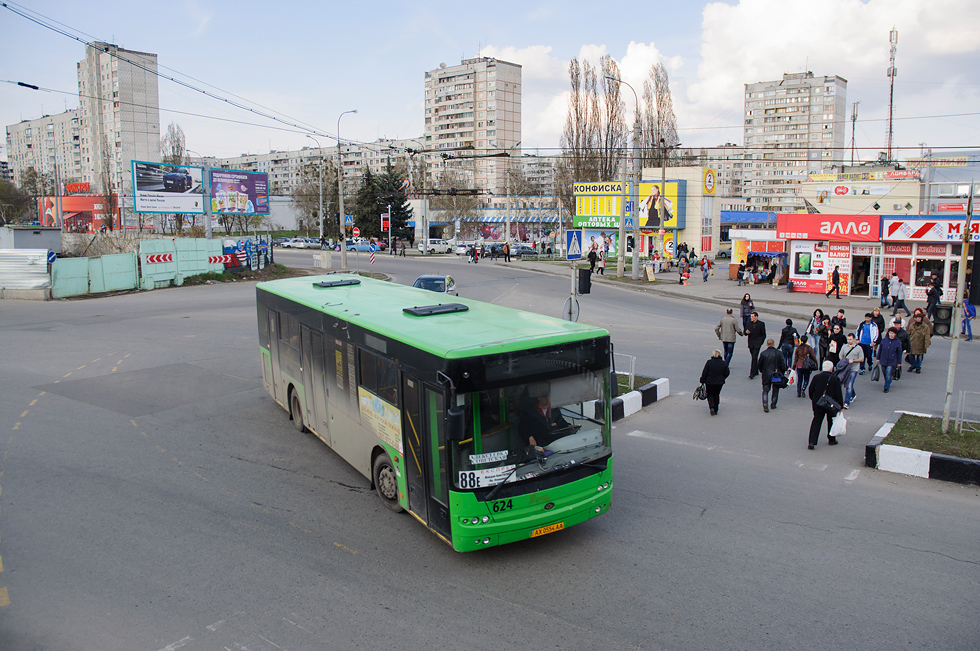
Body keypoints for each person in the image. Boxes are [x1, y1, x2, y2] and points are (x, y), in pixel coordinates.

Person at [519, 382, 572, 448]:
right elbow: (523, 428)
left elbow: (561, 423)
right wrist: (529, 437)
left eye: (549, 396)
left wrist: (569, 426)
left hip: (556, 444)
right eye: (545, 397)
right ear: (539, 397)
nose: (547, 399)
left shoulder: (555, 410)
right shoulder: (530, 413)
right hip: (539, 446)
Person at [808, 360, 843, 449]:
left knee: (816, 421)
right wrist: (840, 405)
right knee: (831, 420)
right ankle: (831, 439)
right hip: (830, 404)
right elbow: (838, 393)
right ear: (831, 368)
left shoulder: (816, 377)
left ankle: (812, 441)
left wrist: (814, 399)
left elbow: (811, 390)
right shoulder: (835, 379)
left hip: (818, 403)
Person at [758, 338, 787, 412]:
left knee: (765, 390)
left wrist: (762, 371)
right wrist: (782, 372)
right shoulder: (779, 353)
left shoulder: (764, 353)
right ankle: (773, 404)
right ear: (774, 344)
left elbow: (759, 364)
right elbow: (783, 364)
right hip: (776, 374)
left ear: (767, 344)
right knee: (776, 390)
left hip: (766, 373)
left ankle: (765, 403)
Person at [699, 349, 730, 416]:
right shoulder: (723, 363)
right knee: (716, 394)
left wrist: (702, 380)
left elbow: (705, 372)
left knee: (710, 394)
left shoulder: (709, 362)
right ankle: (716, 409)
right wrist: (722, 377)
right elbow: (727, 373)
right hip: (719, 382)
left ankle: (712, 407)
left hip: (709, 382)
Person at [840, 333, 864, 408]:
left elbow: (862, 359)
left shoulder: (858, 348)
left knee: (849, 385)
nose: (849, 341)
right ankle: (853, 394)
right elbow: (840, 355)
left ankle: (846, 403)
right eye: (848, 339)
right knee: (844, 382)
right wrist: (844, 360)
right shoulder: (844, 346)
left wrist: (853, 360)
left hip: (854, 369)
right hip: (845, 368)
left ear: (854, 339)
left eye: (850, 339)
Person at [878, 327, 904, 393]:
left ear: (895, 334)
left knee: (888, 373)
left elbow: (899, 353)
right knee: (884, 372)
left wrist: (899, 362)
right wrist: (878, 358)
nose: (891, 335)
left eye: (892, 333)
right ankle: (888, 381)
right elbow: (880, 350)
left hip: (892, 360)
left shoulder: (897, 342)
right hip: (883, 359)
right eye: (890, 333)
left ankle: (886, 387)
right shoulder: (884, 340)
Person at [745, 311, 767, 380]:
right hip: (751, 343)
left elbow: (763, 334)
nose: (751, 318)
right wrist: (746, 332)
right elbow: (745, 332)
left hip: (757, 343)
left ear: (756, 317)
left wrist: (761, 342)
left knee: (754, 357)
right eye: (751, 316)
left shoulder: (761, 324)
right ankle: (756, 370)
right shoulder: (748, 323)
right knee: (753, 357)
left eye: (752, 316)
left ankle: (752, 373)